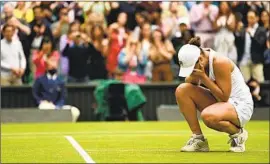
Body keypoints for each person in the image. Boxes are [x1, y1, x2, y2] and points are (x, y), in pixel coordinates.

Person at [175, 37, 253, 152]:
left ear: (200, 59)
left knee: (208, 116)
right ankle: (198, 139)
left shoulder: (220, 62)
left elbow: (224, 97)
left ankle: (238, 134)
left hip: (240, 105)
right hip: (222, 102)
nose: (191, 70)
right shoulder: (201, 60)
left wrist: (204, 77)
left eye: (191, 67)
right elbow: (192, 83)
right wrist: (196, 75)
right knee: (182, 90)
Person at [32, 57, 80, 122]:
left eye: (54, 66)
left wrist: (58, 106)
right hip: (44, 105)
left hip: (57, 106)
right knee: (45, 107)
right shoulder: (40, 80)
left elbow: (63, 97)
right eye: (51, 66)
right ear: (46, 67)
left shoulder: (61, 81)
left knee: (75, 111)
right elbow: (35, 93)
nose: (53, 68)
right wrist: (41, 101)